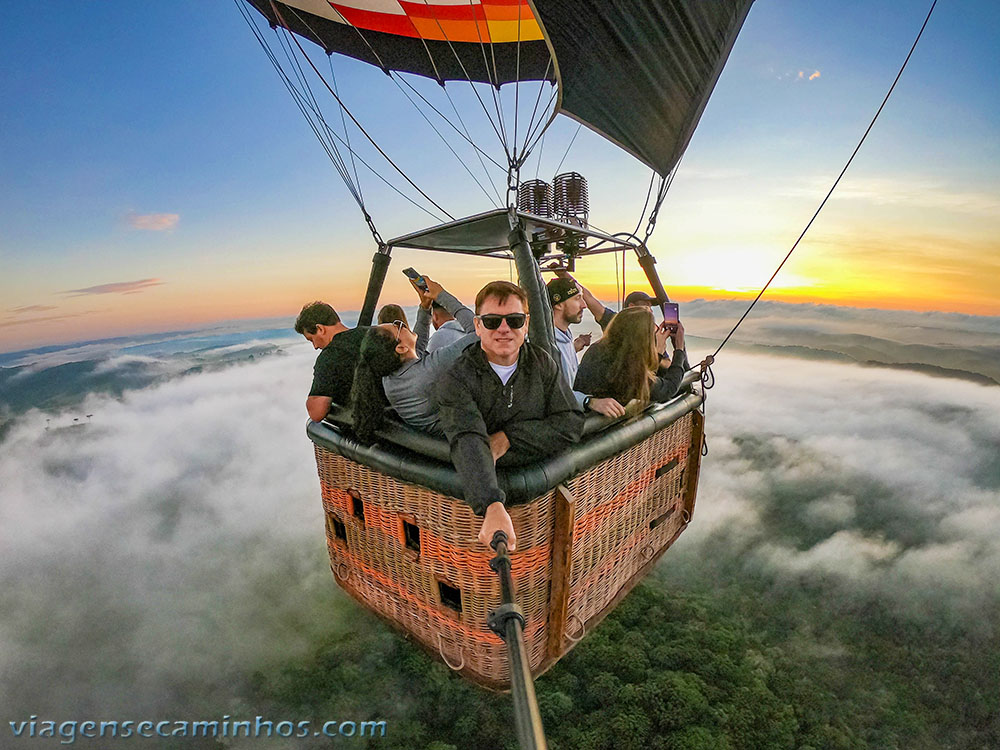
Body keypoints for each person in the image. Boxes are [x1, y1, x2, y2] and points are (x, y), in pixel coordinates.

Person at [435, 281, 584, 551]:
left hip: (542, 509)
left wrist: (509, 438)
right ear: (478, 326)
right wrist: (491, 504)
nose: (504, 329)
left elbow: (570, 422)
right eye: (492, 321)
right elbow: (467, 437)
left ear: (526, 325)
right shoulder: (457, 377)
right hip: (484, 502)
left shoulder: (541, 363)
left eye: (514, 320)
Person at [349, 276, 476, 440]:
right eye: (398, 326)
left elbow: (418, 347)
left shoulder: (391, 377)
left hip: (441, 438)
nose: (402, 324)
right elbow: (480, 333)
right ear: (401, 348)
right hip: (468, 434)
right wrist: (442, 295)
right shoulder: (429, 371)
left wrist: (425, 307)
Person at [574, 306, 689, 407]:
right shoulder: (628, 371)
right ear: (642, 338)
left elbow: (646, 375)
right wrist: (679, 349)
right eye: (652, 328)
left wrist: (657, 354)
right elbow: (668, 388)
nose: (657, 329)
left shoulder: (597, 350)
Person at [547, 277, 625, 419]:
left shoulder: (563, 336)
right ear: (558, 304)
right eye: (577, 299)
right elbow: (553, 393)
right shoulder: (547, 344)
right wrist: (589, 402)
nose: (584, 305)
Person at [295, 301, 369, 421]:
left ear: (320, 329)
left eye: (311, 339)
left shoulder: (330, 357)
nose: (315, 346)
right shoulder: (373, 334)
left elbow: (317, 413)